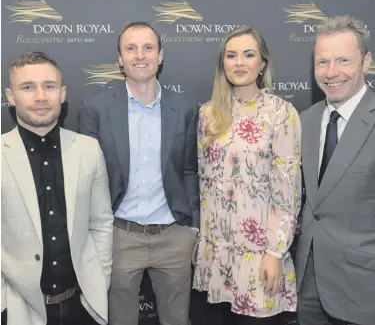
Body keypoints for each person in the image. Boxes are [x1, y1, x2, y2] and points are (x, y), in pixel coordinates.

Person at [78, 21, 200, 325]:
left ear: (160, 56)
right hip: (120, 236)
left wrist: (193, 228)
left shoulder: (184, 108)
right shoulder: (96, 108)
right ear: (120, 59)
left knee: (177, 319)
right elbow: (87, 180)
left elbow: (190, 170)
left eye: (148, 47)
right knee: (119, 320)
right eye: (130, 48)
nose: (140, 55)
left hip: (174, 236)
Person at [192, 26, 302, 325]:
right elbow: (205, 184)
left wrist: (275, 253)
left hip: (259, 255)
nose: (239, 62)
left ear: (262, 63)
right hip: (216, 255)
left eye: (248, 54)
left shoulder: (281, 113)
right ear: (222, 64)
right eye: (231, 55)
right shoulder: (207, 114)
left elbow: (287, 190)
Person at [1, 51, 113, 325]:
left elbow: (100, 223)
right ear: (11, 96)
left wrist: (99, 285)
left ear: (62, 93)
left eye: (49, 86)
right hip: (18, 309)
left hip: (82, 306)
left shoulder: (88, 149)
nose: (40, 96)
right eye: (28, 87)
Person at [296, 15, 375, 325]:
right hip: (309, 283)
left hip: (363, 288)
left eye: (344, 60)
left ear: (366, 62)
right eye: (323, 62)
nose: (331, 73)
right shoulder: (306, 120)